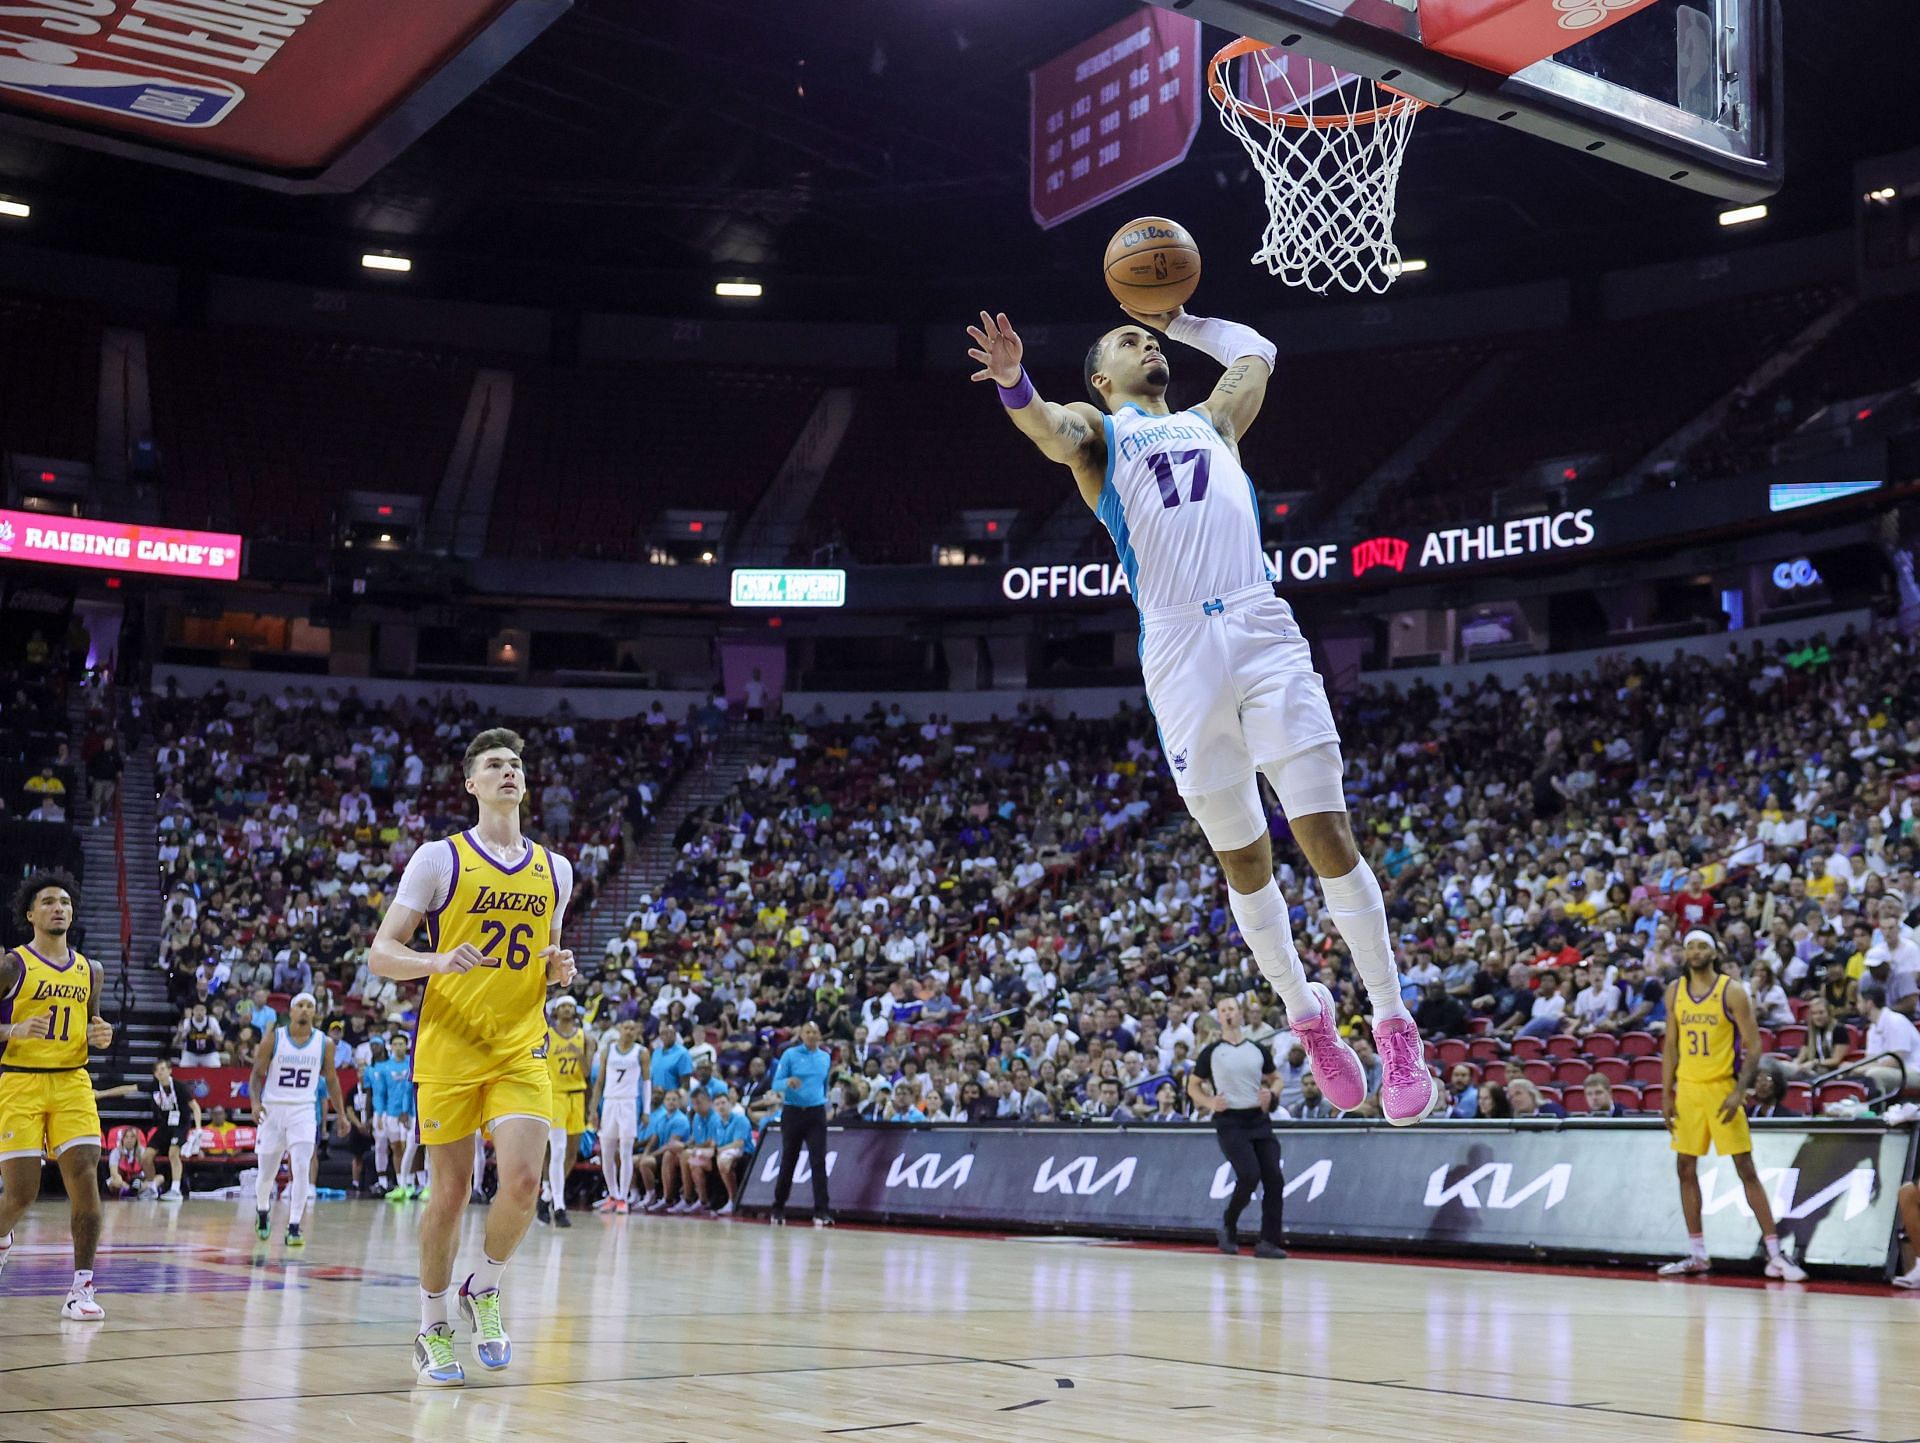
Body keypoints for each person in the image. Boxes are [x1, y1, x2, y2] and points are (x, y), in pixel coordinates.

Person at [967, 305, 1436, 1125]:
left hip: (1260, 625)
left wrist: (1182, 319)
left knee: (1328, 836)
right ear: (1104, 380)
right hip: (1182, 653)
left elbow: (1259, 349)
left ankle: (1395, 1022)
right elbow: (1049, 427)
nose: (1146, 345)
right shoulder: (1101, 437)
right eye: (1129, 341)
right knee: (1246, 863)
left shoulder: (1213, 419)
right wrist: (1014, 380)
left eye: (1150, 340)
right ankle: (1306, 1011)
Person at [367, 728, 577, 1387]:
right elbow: (381, 953)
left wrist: (559, 969)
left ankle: (482, 1286)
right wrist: (433, 960)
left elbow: (543, 964)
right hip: (450, 1045)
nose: (508, 771)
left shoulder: (557, 868)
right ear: (472, 782)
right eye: (494, 763)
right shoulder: (438, 859)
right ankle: (431, 1326)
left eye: (516, 763)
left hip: (520, 1047)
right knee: (451, 1193)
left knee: (520, 1183)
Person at [1657, 930, 1806, 1281]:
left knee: (1745, 1167)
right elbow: (1671, 1046)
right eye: (1690, 946)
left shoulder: (1732, 990)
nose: (1695, 951)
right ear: (1684, 953)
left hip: (1722, 1088)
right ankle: (1697, 1255)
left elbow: (1754, 1047)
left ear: (1714, 951)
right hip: (1688, 1091)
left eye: (1702, 946)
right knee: (1685, 1168)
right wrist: (1665, 1093)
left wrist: (1741, 1090)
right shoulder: (1674, 991)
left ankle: (1775, 1254)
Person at [0, 871, 115, 1320]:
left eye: (65, 901)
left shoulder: (92, 970)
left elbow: (93, 1025)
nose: (58, 908)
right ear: (30, 914)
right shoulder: (12, 965)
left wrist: (101, 1034)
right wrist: (12, 1029)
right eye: (48, 901)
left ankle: (81, 1289)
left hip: (72, 1081)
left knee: (85, 1178)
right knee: (21, 1194)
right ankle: (4, 1236)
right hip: (19, 1081)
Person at [1187, 996, 1287, 1259]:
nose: (1228, 1013)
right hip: (1230, 1121)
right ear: (1219, 1017)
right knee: (1249, 1175)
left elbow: (1276, 1079)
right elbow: (1192, 1086)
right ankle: (1229, 1224)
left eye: (1231, 1008)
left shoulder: (1256, 1049)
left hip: (1258, 1120)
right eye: (1223, 1010)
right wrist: (1209, 1102)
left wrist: (1271, 1094)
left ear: (1240, 1014)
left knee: (1274, 1179)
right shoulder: (1211, 1052)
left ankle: (1269, 1241)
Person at [248, 990, 348, 1247]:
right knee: (266, 1174)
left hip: (303, 1109)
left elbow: (333, 1081)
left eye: (309, 1006)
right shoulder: (275, 1037)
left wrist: (342, 1115)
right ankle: (262, 1210)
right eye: (300, 1005)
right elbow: (257, 1074)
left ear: (315, 1012)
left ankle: (294, 1226)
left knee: (302, 1167)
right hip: (272, 1109)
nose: (304, 1009)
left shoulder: (324, 1043)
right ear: (291, 1011)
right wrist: (255, 1103)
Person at [769, 1020, 832, 1225]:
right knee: (789, 1160)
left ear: (820, 1035)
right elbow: (775, 1084)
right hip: (793, 1113)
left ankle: (821, 1210)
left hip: (815, 1113)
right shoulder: (790, 1055)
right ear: (801, 1035)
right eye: (808, 1032)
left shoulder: (825, 1057)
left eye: (815, 1032)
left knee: (818, 1161)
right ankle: (778, 1207)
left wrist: (825, 1105)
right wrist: (787, 1082)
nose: (811, 1035)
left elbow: (824, 1085)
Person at [537, 997, 589, 1229]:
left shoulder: (585, 1037)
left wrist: (580, 1056)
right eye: (563, 1006)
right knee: (556, 1150)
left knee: (571, 1155)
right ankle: (559, 1206)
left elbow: (587, 1072)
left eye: (570, 1006)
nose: (567, 1009)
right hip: (555, 1095)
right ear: (556, 1011)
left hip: (577, 1095)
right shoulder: (546, 1034)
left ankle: (546, 1195)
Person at [588, 1018, 643, 1214]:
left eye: (632, 1028)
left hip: (629, 1102)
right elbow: (599, 1082)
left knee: (626, 1152)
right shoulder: (607, 1051)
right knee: (606, 1152)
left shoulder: (641, 1052)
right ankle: (612, 1194)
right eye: (626, 1027)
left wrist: (645, 1111)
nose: (629, 1031)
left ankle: (623, 1198)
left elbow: (648, 1082)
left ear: (637, 1031)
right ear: (619, 1029)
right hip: (609, 1102)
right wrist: (593, 1110)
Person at [145, 1057, 199, 1200]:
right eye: (157, 1070)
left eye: (163, 1069)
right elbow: (129, 1088)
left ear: (170, 1071)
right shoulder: (154, 1086)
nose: (160, 1072)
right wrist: (102, 1094)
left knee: (173, 1153)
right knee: (146, 1156)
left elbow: (195, 1107)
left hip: (181, 1125)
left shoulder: (180, 1086)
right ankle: (152, 1188)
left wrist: (198, 1128)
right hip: (165, 1126)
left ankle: (176, 1190)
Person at [634, 1090, 689, 1210]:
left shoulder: (680, 1119)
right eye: (668, 1099)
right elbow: (655, 1137)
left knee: (646, 1162)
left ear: (679, 1102)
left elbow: (671, 1144)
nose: (671, 1102)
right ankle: (634, 1194)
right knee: (633, 1160)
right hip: (660, 1153)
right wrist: (646, 1153)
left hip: (672, 1155)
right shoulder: (662, 1118)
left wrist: (651, 1155)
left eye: (674, 1099)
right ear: (664, 1102)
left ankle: (654, 1196)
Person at [709, 1092, 754, 1215]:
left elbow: (738, 1143)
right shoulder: (715, 1122)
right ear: (714, 1107)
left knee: (723, 1160)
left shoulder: (740, 1119)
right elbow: (713, 1143)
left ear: (730, 1104)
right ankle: (700, 1200)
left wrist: (718, 1151)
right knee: (695, 1161)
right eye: (717, 1104)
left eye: (723, 1103)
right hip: (723, 1150)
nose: (721, 1106)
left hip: (744, 1153)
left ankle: (733, 1199)